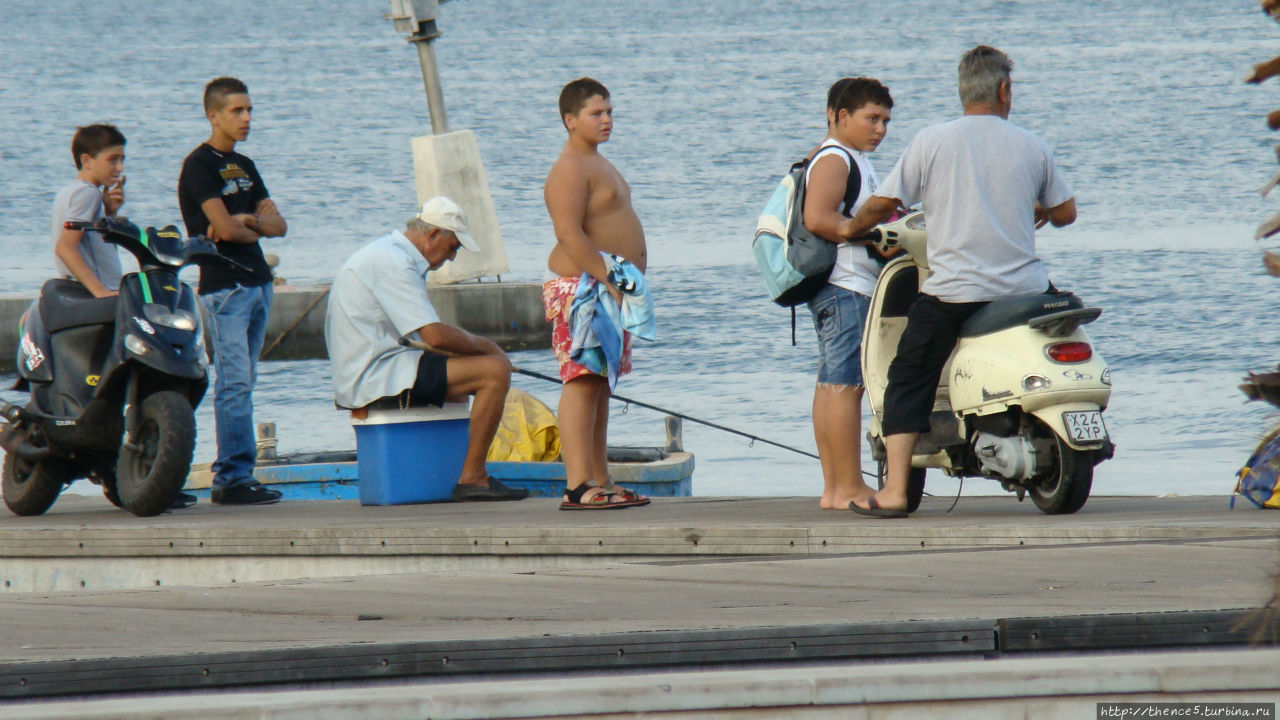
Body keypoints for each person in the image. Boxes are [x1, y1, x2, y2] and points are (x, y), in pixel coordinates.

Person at [837, 45, 1077, 518]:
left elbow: (884, 204)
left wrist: (850, 228)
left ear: (962, 91)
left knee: (907, 377)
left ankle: (895, 492)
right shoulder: (1031, 143)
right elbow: (1067, 213)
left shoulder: (932, 141)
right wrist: (1041, 209)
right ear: (1004, 91)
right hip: (1026, 291)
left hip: (955, 293)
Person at [325, 196, 528, 502]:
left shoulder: (388, 253)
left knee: (461, 377)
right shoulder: (394, 263)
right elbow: (434, 336)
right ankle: (472, 477)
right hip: (375, 375)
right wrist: (491, 349)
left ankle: (450, 472)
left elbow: (426, 337)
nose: (451, 259)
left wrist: (468, 350)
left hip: (375, 367)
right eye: (452, 248)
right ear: (433, 234)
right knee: (493, 373)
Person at [178, 77, 288, 506]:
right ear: (214, 115)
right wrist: (241, 223)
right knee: (234, 383)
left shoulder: (244, 165)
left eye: (249, 110)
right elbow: (221, 229)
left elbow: (279, 225)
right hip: (225, 288)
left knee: (247, 381)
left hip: (259, 283)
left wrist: (251, 224)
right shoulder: (199, 165)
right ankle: (232, 478)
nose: (246, 119)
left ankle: (239, 473)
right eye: (237, 111)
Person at [543, 77, 651, 510]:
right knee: (581, 380)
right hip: (584, 288)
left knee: (601, 384)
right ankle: (576, 485)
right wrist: (607, 278)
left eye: (609, 112)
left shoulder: (599, 163)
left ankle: (600, 478)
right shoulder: (569, 168)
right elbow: (567, 232)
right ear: (570, 120)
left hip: (612, 285)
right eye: (596, 113)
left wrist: (621, 282)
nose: (606, 120)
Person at [801, 77, 894, 510]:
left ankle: (835, 488)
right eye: (871, 118)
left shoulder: (842, 157)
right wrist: (864, 235)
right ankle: (849, 488)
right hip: (846, 284)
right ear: (841, 116)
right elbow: (818, 217)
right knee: (846, 386)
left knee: (831, 384)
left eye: (886, 121)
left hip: (834, 286)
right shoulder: (837, 158)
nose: (880, 128)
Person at [51, 124, 126, 299]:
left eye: (122, 159)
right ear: (86, 161)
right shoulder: (89, 193)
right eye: (113, 160)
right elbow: (65, 247)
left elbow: (92, 244)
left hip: (78, 290)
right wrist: (100, 291)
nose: (120, 168)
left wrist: (109, 213)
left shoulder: (68, 192)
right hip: (97, 294)